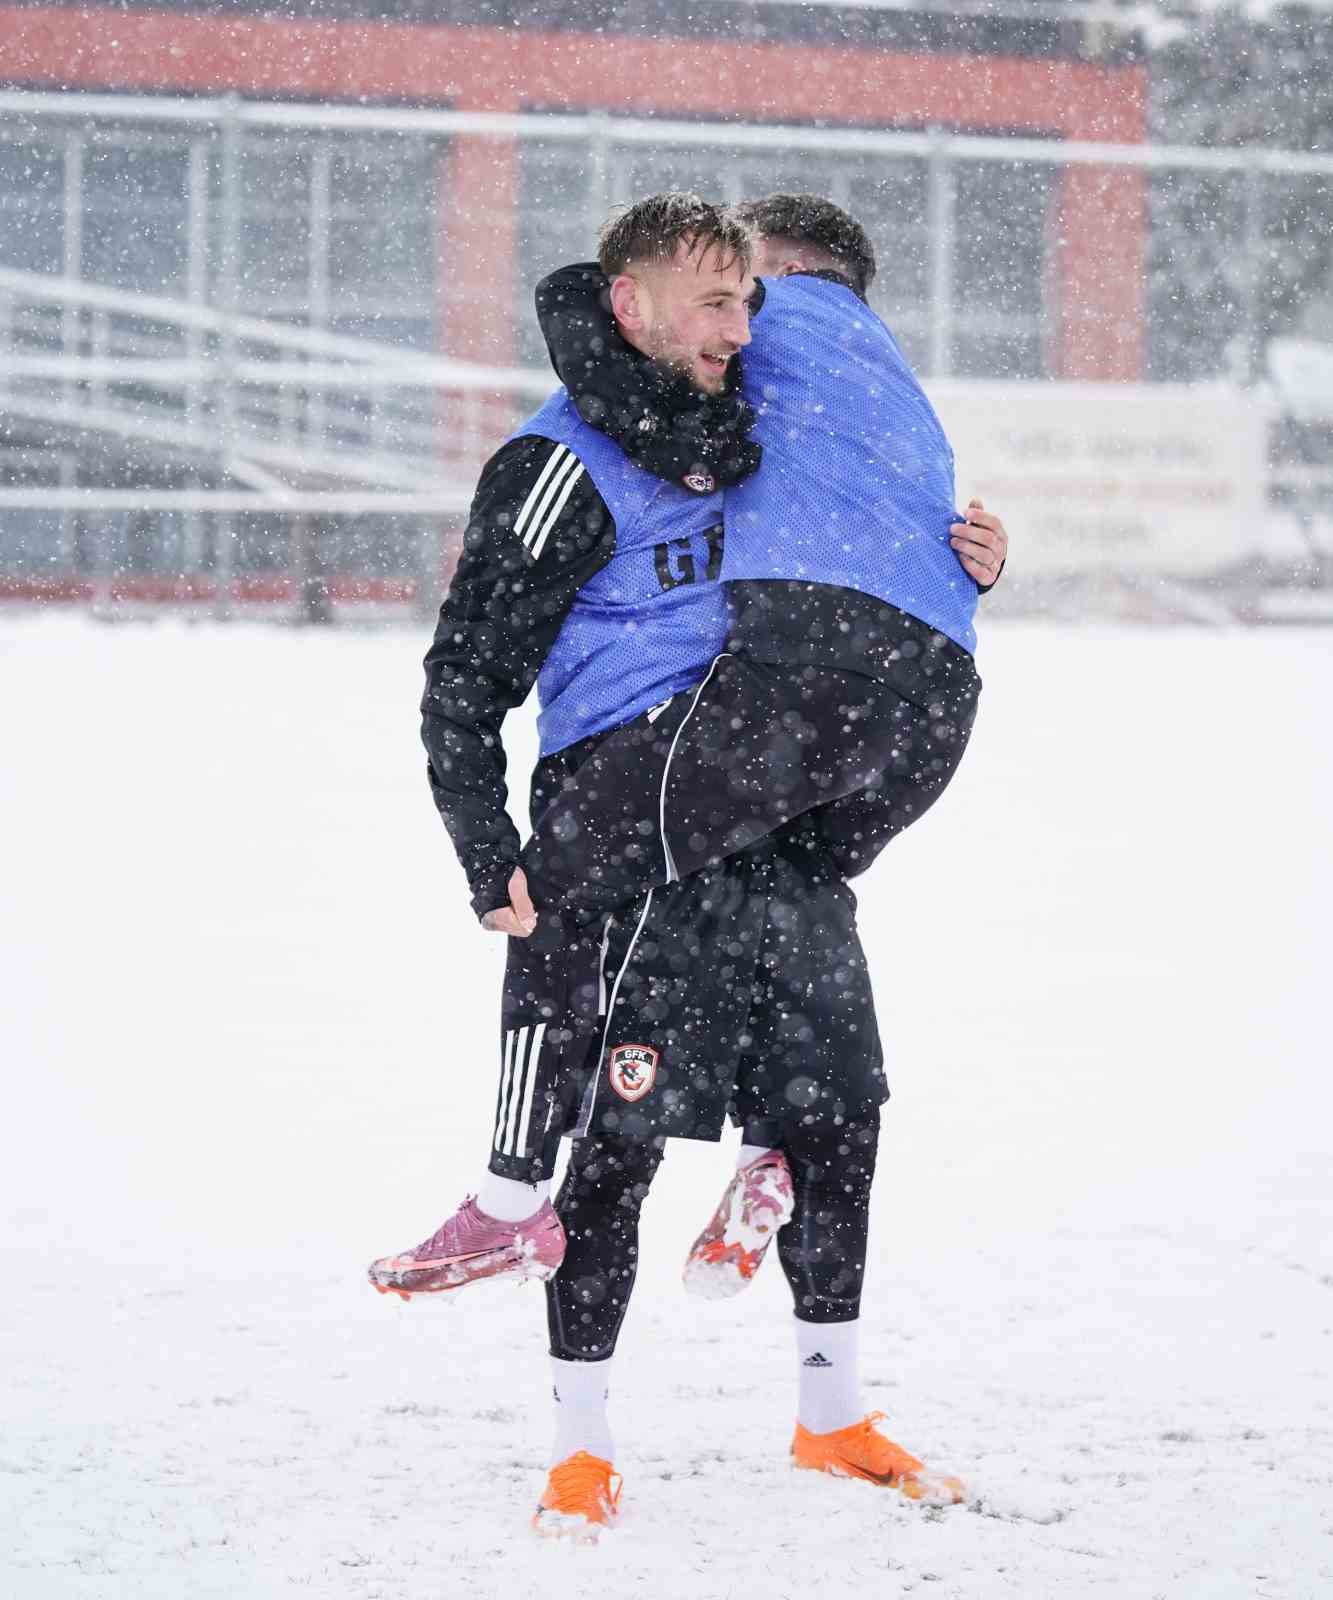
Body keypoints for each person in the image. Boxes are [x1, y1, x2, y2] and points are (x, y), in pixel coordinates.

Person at [369, 194, 1007, 1534]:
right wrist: (486, 849)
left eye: (749, 301)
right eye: (719, 302)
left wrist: (968, 562)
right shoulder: (558, 461)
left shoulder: (763, 440)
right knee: (619, 1140)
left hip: (755, 815)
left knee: (841, 1112)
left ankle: (831, 1416)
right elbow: (462, 680)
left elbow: (868, 554)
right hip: (631, 824)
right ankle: (579, 1446)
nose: (745, 327)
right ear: (633, 309)